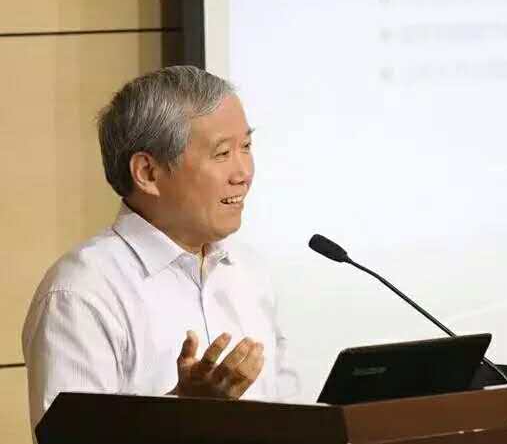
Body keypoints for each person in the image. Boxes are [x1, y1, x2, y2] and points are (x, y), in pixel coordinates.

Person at [21, 66, 299, 432]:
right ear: (148, 173)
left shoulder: (249, 271)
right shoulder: (81, 293)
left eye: (246, 147)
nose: (243, 173)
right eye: (222, 153)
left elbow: (294, 417)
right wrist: (183, 409)